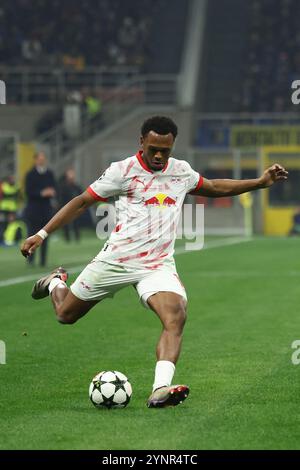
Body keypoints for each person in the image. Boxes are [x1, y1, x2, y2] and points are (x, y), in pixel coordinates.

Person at [20, 116, 288, 408]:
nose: (159, 155)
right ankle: (56, 282)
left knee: (176, 315)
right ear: (141, 143)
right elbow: (82, 201)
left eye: (165, 150)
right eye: (153, 149)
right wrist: (42, 233)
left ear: (172, 145)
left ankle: (161, 388)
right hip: (117, 260)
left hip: (157, 265)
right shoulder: (122, 171)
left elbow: (213, 186)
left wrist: (260, 182)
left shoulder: (181, 171)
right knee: (65, 315)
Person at [24, 151, 56, 267]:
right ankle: (30, 260)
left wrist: (52, 192)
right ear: (36, 160)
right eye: (40, 159)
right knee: (32, 234)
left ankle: (43, 261)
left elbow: (54, 186)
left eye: (43, 159)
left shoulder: (50, 173)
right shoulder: (30, 174)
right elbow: (28, 192)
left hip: (46, 210)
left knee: (44, 235)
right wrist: (42, 193)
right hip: (33, 210)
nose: (42, 161)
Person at [58, 168, 82, 242]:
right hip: (66, 207)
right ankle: (67, 238)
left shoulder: (76, 186)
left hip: (75, 208)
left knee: (76, 223)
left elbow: (81, 194)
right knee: (65, 223)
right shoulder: (63, 187)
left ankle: (77, 237)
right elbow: (61, 197)